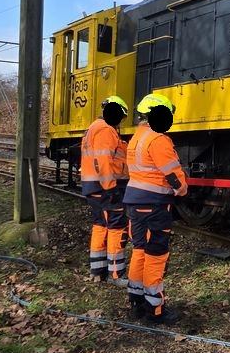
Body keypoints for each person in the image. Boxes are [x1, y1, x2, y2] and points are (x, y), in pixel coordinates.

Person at [124, 93, 188, 324]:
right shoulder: (158, 139)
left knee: (140, 250)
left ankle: (136, 299)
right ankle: (155, 308)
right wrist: (182, 189)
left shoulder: (136, 137)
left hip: (135, 202)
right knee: (156, 255)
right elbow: (172, 173)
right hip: (153, 204)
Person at [80, 95, 130, 287]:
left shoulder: (93, 128)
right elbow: (104, 160)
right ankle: (117, 274)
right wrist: (111, 189)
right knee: (116, 226)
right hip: (105, 188)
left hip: (93, 186)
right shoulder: (105, 130)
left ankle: (97, 270)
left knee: (100, 224)